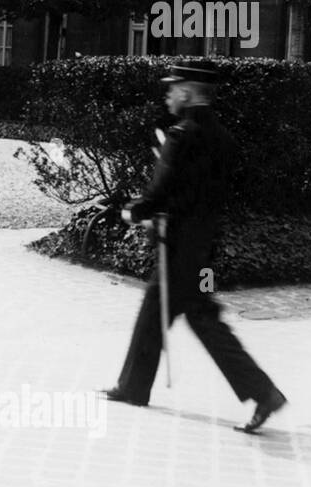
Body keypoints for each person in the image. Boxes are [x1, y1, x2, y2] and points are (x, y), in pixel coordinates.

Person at [101, 60, 288, 433]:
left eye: (173, 88)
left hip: (179, 248)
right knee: (161, 312)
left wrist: (134, 211)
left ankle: (263, 391)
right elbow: (201, 192)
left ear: (187, 91)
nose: (168, 94)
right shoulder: (221, 136)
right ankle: (133, 386)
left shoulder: (182, 135)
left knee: (201, 320)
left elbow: (161, 190)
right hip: (203, 249)